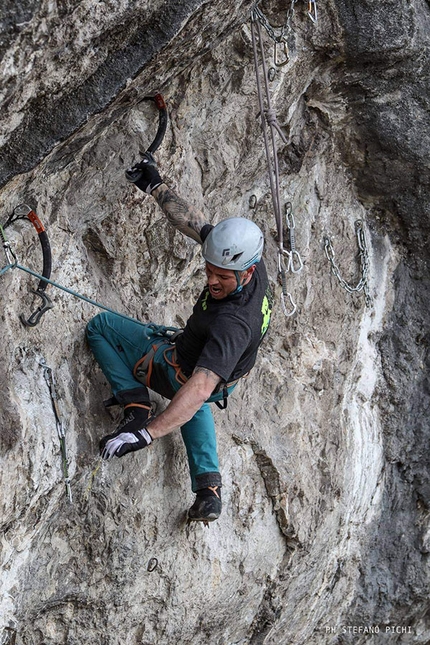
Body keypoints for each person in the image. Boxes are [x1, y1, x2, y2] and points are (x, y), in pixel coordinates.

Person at [86, 153, 273, 523]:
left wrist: (148, 433)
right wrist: (156, 186)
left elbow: (200, 387)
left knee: (102, 327)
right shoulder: (246, 257)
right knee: (196, 398)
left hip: (182, 370)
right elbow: (193, 223)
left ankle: (135, 404)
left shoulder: (232, 323)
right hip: (226, 376)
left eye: (222, 278)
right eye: (209, 271)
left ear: (246, 274)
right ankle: (208, 488)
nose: (212, 281)